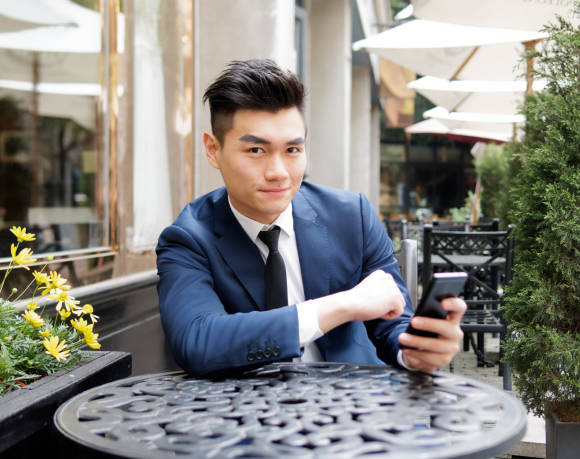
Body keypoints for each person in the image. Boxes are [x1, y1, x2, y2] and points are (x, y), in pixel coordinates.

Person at [156, 59, 466, 377]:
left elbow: (393, 323)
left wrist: (417, 351)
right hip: (245, 415)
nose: (278, 173)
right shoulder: (188, 238)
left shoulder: (352, 217)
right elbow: (197, 341)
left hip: (352, 406)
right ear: (213, 149)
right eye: (256, 151)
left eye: (292, 150)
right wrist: (342, 306)